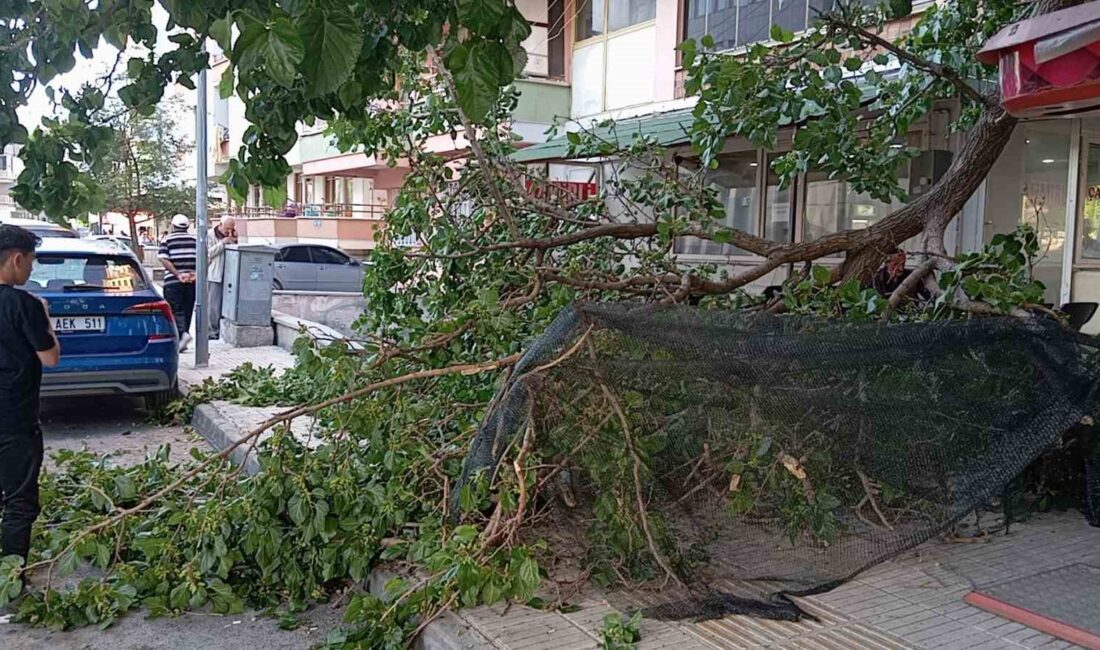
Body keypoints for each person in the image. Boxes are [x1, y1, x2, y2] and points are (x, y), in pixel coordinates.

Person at [0, 225, 59, 562]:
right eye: (31, 262)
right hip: (14, 418)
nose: (32, 269)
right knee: (19, 500)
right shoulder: (25, 304)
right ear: (17, 259)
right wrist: (46, 317)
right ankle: (12, 576)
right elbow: (50, 358)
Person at [158, 214, 198, 352]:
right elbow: (205, 257)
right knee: (187, 309)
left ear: (173, 226)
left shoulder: (167, 240)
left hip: (173, 281)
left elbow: (163, 259)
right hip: (192, 281)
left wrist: (178, 274)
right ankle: (183, 339)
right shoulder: (195, 240)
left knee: (175, 309)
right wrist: (195, 274)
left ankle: (182, 334)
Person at [206, 216, 237, 340]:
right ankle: (211, 331)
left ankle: (221, 330)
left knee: (225, 305)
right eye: (227, 228)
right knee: (213, 306)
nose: (228, 231)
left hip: (229, 274)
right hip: (215, 274)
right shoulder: (210, 235)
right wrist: (222, 243)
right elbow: (207, 253)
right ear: (220, 225)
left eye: (231, 228)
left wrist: (234, 240)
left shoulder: (230, 235)